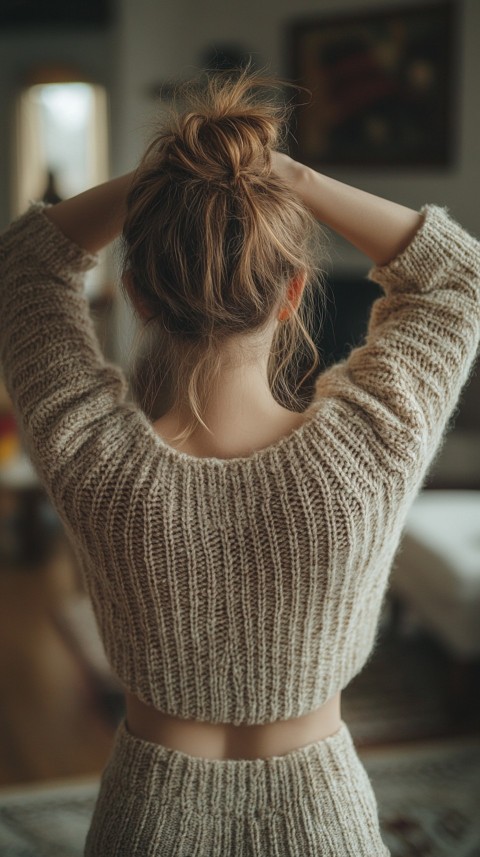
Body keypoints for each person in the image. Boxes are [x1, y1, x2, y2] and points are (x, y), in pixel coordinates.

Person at [0, 68, 479, 857]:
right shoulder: (368, 451)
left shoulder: (91, 456)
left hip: (147, 821)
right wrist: (286, 172)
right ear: (294, 292)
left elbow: (25, 262)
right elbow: (455, 277)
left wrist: (166, 176)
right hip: (323, 818)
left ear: (140, 297)